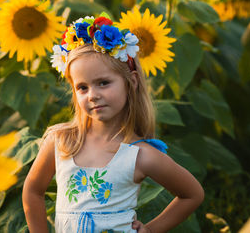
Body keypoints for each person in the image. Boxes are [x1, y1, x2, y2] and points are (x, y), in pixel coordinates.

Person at [22, 13, 204, 233]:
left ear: (131, 82)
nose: (92, 95)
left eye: (103, 83)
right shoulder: (61, 142)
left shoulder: (139, 154)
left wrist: (151, 229)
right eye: (82, 87)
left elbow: (192, 194)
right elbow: (32, 191)